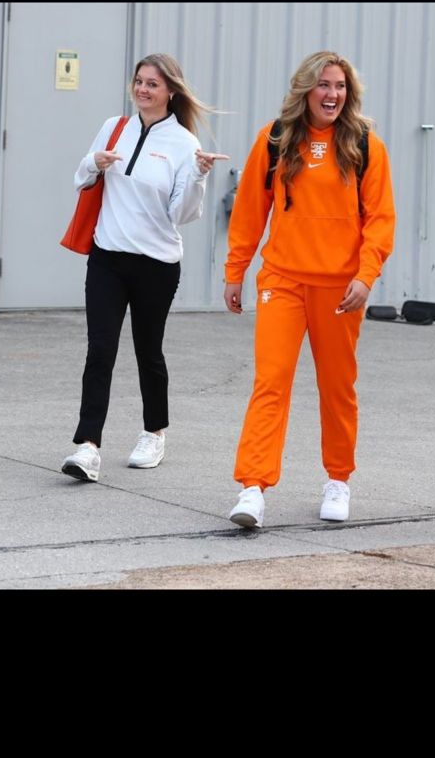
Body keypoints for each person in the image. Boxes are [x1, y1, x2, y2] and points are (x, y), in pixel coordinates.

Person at [223, 51, 395, 528]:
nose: (332, 94)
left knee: (337, 389)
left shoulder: (364, 145)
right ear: (305, 89)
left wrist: (365, 277)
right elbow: (249, 213)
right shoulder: (276, 139)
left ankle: (338, 479)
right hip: (282, 280)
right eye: (323, 85)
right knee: (270, 383)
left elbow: (380, 219)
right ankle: (253, 487)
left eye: (340, 86)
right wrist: (235, 270)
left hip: (340, 289)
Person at [61, 53, 226, 482]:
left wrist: (199, 176)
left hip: (156, 264)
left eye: (152, 83)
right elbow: (81, 178)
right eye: (139, 81)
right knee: (100, 350)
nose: (143, 89)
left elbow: (181, 215)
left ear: (170, 91)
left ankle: (154, 432)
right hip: (107, 259)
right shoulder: (114, 127)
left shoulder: (184, 144)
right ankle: (87, 447)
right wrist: (93, 163)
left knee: (148, 352)